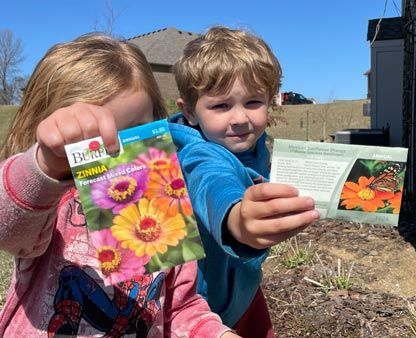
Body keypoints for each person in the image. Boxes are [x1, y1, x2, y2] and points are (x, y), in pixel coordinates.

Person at [0, 33, 239, 338]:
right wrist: (46, 165)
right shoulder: (50, 200)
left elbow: (180, 308)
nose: (117, 154)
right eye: (92, 141)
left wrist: (216, 334)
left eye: (136, 134)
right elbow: (8, 227)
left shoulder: (160, 201)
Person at [170, 26, 321, 337]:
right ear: (189, 112)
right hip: (198, 308)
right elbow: (212, 182)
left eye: (253, 102)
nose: (240, 118)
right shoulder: (197, 153)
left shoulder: (254, 145)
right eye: (221, 106)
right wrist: (237, 218)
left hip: (243, 292)